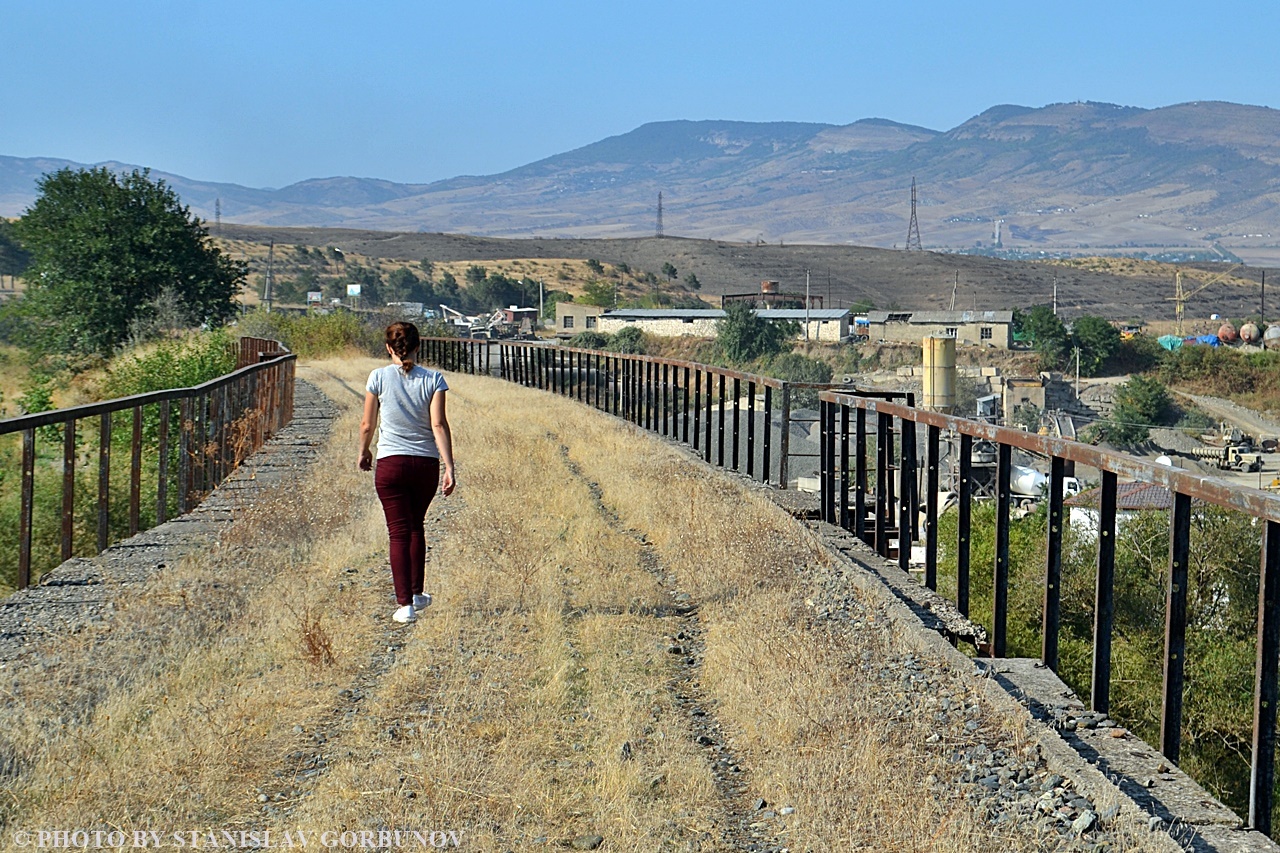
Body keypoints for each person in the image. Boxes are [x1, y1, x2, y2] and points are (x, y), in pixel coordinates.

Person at [359, 321, 456, 623]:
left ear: (388, 348)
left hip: (390, 464)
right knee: (416, 526)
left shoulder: (377, 377)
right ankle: (416, 593)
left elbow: (367, 424)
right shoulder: (434, 379)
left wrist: (364, 451)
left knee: (398, 532)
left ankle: (405, 606)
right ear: (418, 345)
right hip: (425, 464)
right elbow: (438, 425)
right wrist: (450, 466)